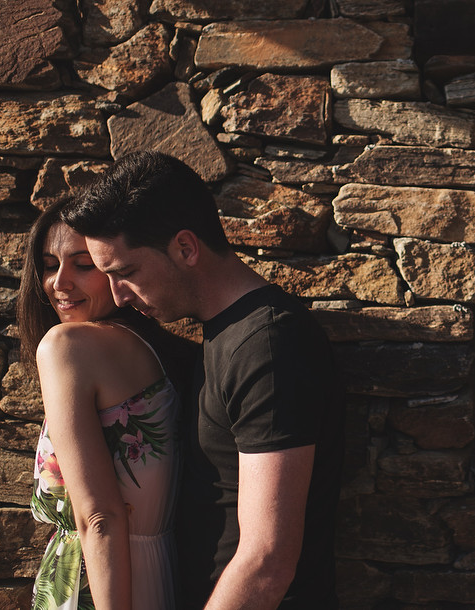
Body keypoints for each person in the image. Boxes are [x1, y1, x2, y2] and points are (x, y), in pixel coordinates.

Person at [63, 151, 345, 609]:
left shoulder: (270, 346)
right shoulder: (225, 334)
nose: (117, 295)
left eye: (126, 273)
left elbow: (267, 562)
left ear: (186, 248)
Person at [19, 197, 192, 609]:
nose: (59, 283)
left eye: (83, 265)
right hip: (159, 574)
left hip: (101, 586)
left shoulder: (67, 346)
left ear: (113, 270)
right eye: (49, 265)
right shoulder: (161, 353)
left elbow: (99, 517)